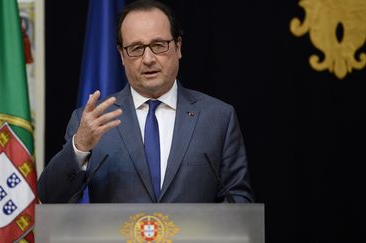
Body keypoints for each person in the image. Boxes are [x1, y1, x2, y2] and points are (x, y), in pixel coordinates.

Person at [38, 0, 254, 203]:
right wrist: (81, 146)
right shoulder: (93, 121)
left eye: (159, 45)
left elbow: (238, 202)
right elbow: (51, 197)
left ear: (178, 47)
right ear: (122, 56)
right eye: (136, 48)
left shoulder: (217, 118)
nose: (148, 59)